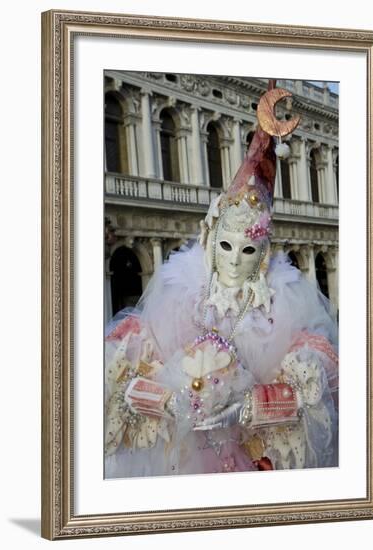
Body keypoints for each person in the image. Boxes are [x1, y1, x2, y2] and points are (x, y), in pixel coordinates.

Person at [104, 84, 338, 479]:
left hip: (251, 461)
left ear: (262, 255)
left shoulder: (280, 309)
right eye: (226, 246)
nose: (233, 261)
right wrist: (170, 403)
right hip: (183, 459)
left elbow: (319, 391)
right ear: (210, 240)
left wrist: (250, 405)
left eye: (247, 251)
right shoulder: (179, 299)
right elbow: (120, 383)